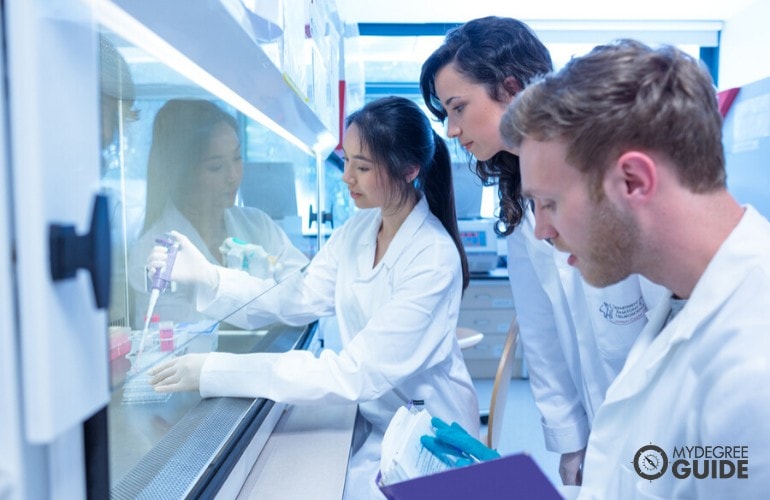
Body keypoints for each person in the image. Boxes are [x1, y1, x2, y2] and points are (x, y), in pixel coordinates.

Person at [146, 96, 480, 499]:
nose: (346, 177)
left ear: (409, 170)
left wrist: (219, 371)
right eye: (348, 161)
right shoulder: (359, 231)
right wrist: (210, 280)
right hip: (380, 421)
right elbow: (296, 297)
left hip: (428, 438)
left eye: (363, 166)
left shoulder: (433, 257)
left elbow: (353, 373)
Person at [501, 38, 770, 498]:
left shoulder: (752, 373)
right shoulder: (683, 300)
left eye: (550, 203)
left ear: (634, 181)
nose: (542, 231)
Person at [419, 16, 668, 485]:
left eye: (458, 108)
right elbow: (542, 333)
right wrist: (572, 438)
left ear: (510, 88)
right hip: (603, 423)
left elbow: (670, 320)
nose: (452, 130)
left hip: (663, 423)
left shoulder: (611, 178)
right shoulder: (519, 198)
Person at [128, 98, 309, 326]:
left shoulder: (258, 225)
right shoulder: (154, 252)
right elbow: (178, 338)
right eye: (216, 167)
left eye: (237, 158)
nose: (233, 176)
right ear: (182, 173)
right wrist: (269, 297)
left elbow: (304, 296)